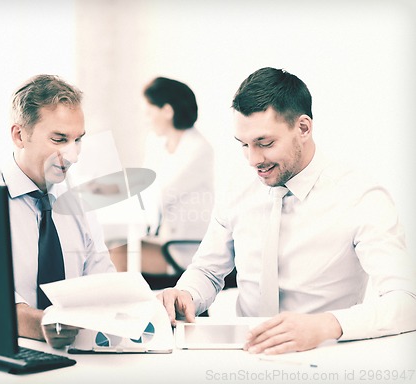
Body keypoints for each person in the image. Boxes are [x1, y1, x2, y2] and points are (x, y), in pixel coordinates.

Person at [159, 67, 416, 354]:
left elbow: (406, 300)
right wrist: (187, 294)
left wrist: (325, 326)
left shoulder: (361, 197)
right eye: (244, 145)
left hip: (326, 356)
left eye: (265, 143)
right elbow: (208, 271)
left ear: (303, 128)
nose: (253, 159)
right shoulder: (238, 187)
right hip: (245, 356)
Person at [0, 74, 116, 348]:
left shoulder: (79, 201)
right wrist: (43, 323)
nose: (73, 156)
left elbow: (102, 283)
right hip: (6, 353)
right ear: (19, 135)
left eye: (78, 140)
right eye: (59, 140)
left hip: (74, 356)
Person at [109, 77, 215, 275]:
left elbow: (159, 195)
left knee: (116, 254)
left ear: (167, 111)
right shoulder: (156, 143)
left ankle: (128, 305)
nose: (146, 119)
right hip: (161, 239)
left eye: (149, 112)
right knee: (103, 250)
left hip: (185, 249)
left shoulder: (198, 149)